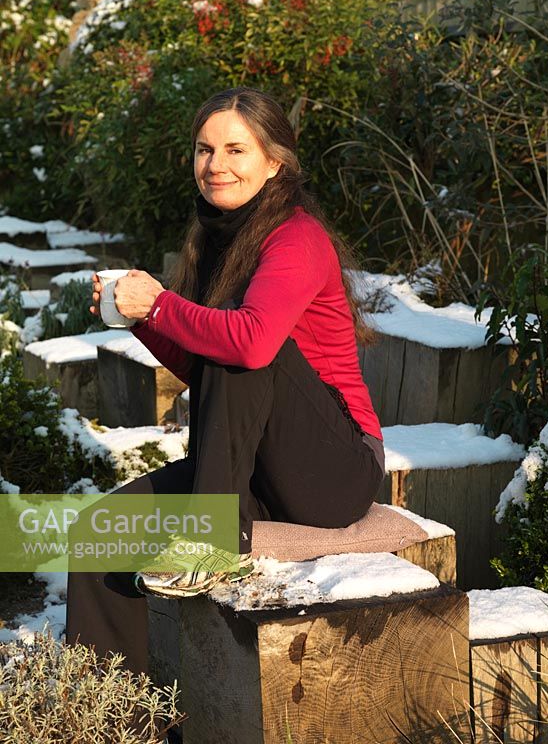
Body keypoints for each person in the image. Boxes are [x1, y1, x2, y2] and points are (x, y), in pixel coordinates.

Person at [65, 86, 385, 678]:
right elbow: (211, 375)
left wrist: (161, 305)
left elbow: (253, 346)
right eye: (204, 150)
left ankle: (213, 543)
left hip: (337, 470)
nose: (216, 165)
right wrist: (142, 319)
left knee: (247, 335)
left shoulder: (296, 236)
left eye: (236, 149)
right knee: (99, 530)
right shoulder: (217, 238)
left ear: (275, 161)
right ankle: (110, 714)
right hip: (253, 464)